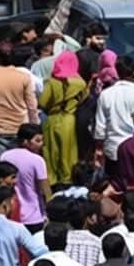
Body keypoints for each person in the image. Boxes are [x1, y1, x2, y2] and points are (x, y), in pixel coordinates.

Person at [38, 50, 85, 186]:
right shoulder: (80, 83)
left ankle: (52, 182)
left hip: (52, 119)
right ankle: (68, 180)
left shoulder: (51, 82)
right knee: (69, 153)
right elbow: (83, 100)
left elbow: (42, 102)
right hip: (70, 120)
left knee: (51, 152)